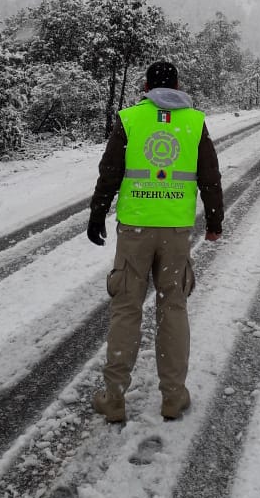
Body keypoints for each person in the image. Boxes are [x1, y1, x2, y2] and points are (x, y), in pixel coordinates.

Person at [87, 60, 224, 423]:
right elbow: (210, 176)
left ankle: (114, 398)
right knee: (173, 309)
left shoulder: (130, 119)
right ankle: (173, 397)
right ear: (178, 84)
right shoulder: (194, 122)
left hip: (134, 230)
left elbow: (110, 172)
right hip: (176, 233)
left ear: (145, 85)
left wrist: (97, 213)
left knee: (126, 309)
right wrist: (214, 221)